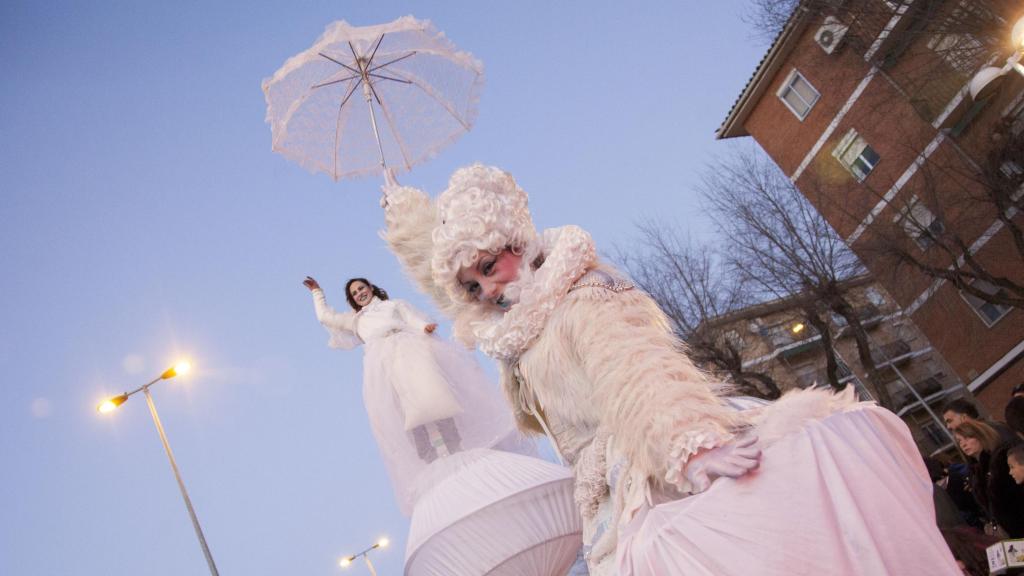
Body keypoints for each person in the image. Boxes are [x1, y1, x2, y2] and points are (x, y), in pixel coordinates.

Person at [383, 164, 961, 575]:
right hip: (607, 493)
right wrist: (407, 219)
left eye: (490, 266)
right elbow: (447, 284)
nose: (487, 289)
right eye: (473, 284)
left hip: (650, 464)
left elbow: (635, 368)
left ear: (516, 241)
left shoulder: (577, 297)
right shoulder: (517, 328)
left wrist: (689, 445)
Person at [303, 275, 527, 514]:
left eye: (361, 288)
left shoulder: (392, 305)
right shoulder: (356, 321)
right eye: (354, 293)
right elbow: (325, 317)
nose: (359, 293)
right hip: (384, 365)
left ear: (370, 287)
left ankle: (454, 446)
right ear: (353, 300)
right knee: (407, 411)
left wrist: (423, 326)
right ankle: (432, 459)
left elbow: (412, 318)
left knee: (432, 396)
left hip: (410, 350)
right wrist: (317, 292)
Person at [953, 420, 1024, 538]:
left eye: (968, 437)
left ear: (980, 435)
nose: (964, 444)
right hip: (1008, 532)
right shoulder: (974, 471)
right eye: (960, 441)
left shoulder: (1001, 458)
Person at [942, 397, 1019, 444]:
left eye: (949, 421)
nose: (948, 427)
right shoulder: (970, 441)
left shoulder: (994, 429)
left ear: (964, 417)